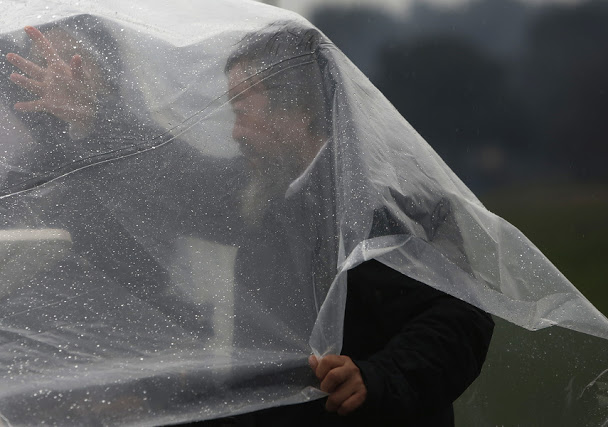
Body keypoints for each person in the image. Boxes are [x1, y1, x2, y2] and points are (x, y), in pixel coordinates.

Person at [5, 21, 494, 426]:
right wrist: (94, 118)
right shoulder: (276, 193)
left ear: (299, 112)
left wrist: (378, 377)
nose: (234, 132)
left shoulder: (385, 202)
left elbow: (460, 316)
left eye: (241, 107)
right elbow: (181, 184)